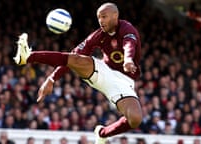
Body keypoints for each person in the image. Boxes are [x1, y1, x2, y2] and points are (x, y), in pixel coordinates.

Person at [14, 2, 142, 144]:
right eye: (99, 17)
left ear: (115, 15)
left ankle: (102, 133)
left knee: (135, 119)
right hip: (103, 71)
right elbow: (74, 55)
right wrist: (51, 78)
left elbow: (129, 44)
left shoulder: (127, 29)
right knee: (76, 59)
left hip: (125, 81)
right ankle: (28, 56)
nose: (101, 21)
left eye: (104, 17)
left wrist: (128, 59)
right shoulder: (98, 35)